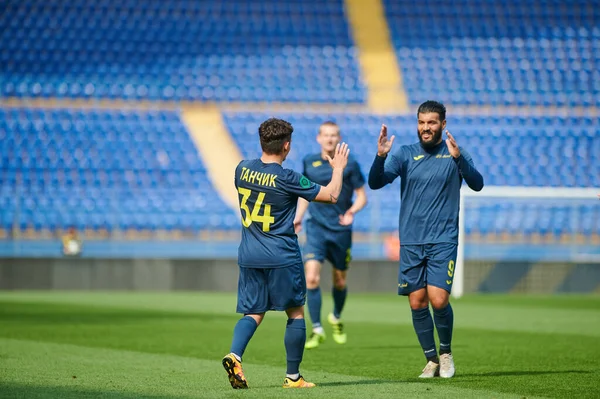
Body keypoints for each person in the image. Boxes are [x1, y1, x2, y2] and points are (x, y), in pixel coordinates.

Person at [222, 118, 350, 389]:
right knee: (295, 313)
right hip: (281, 255)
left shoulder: (241, 169)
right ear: (287, 146)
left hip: (249, 254)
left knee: (253, 313)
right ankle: (293, 377)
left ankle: (235, 355)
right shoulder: (288, 177)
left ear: (262, 141)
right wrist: (338, 169)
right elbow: (332, 195)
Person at [368, 101, 484, 379]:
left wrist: (459, 160)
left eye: (431, 122)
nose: (425, 128)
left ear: (443, 124)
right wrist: (380, 157)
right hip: (410, 241)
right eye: (421, 122)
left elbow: (478, 184)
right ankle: (431, 360)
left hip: (443, 239)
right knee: (417, 302)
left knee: (438, 298)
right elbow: (375, 182)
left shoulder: (454, 152)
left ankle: (445, 354)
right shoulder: (405, 154)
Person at [293, 121, 367, 349]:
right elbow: (305, 194)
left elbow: (362, 196)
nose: (329, 139)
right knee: (312, 277)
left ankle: (335, 316)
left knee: (340, 279)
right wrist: (298, 217)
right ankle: (316, 327)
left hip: (340, 229)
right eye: (325, 135)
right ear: (318, 138)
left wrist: (352, 212)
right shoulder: (309, 161)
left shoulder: (350, 163)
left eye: (334, 135)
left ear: (339, 137)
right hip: (316, 227)